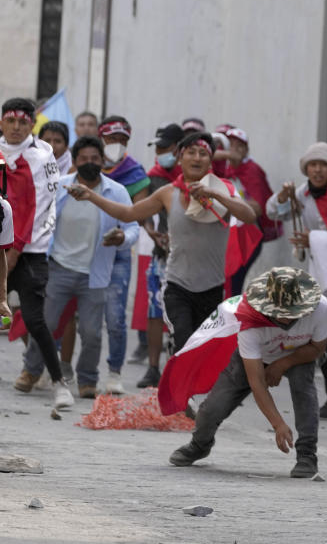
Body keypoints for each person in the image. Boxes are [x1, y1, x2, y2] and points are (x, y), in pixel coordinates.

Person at [68, 131, 257, 357]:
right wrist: (91, 196)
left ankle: (184, 383)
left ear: (210, 162)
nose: (197, 158)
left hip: (213, 288)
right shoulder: (168, 193)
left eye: (203, 154)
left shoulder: (224, 190)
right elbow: (129, 214)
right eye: (191, 153)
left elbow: (248, 216)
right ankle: (178, 388)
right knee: (186, 345)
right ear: (180, 158)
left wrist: (215, 194)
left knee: (202, 351)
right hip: (177, 286)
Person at [167, 267, 327, 477]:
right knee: (212, 408)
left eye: (293, 313)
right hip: (255, 359)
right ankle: (200, 444)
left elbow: (318, 349)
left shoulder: (320, 308)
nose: (287, 320)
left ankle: (307, 454)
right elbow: (257, 384)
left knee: (304, 389)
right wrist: (278, 424)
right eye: (281, 314)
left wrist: (282, 364)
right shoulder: (250, 322)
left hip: (300, 354)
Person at [22, 137, 138, 397]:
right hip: (59, 268)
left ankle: (87, 381)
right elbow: (40, 219)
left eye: (95, 159)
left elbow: (132, 227)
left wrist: (122, 239)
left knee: (92, 332)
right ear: (74, 162)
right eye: (84, 159)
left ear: (103, 161)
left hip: (95, 274)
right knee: (46, 324)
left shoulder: (116, 191)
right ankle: (30, 371)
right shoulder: (60, 187)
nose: (89, 163)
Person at [266, 141, 327, 419]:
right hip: (320, 274)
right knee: (326, 339)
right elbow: (273, 212)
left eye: (322, 165)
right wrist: (282, 197)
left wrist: (315, 239)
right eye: (312, 165)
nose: (317, 170)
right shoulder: (304, 193)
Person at [2, 98, 73, 408]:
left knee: (34, 318)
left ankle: (59, 382)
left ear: (32, 124)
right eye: (10, 121)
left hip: (28, 251)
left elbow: (39, 207)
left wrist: (15, 249)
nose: (16, 127)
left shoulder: (42, 156)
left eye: (23, 122)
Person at [95, 116, 150, 394]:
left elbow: (138, 215)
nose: (116, 145)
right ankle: (73, 371)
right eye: (111, 139)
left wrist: (121, 231)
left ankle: (114, 373)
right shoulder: (85, 165)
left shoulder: (134, 173)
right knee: (78, 315)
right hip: (85, 251)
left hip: (117, 251)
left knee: (115, 316)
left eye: (122, 140)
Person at [134, 123, 184, 388]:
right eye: (158, 148)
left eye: (165, 147)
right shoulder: (153, 176)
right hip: (161, 252)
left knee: (183, 315)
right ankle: (153, 369)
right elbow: (141, 211)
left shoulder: (192, 177)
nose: (161, 152)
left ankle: (179, 371)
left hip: (189, 255)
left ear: (179, 149)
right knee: (155, 311)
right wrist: (152, 231)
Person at [219, 127, 283, 295]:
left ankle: (234, 319)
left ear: (246, 150)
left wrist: (231, 203)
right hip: (231, 234)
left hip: (249, 235)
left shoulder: (251, 170)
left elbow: (258, 208)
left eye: (240, 146)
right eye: (231, 145)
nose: (235, 150)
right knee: (227, 283)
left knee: (234, 283)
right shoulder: (227, 169)